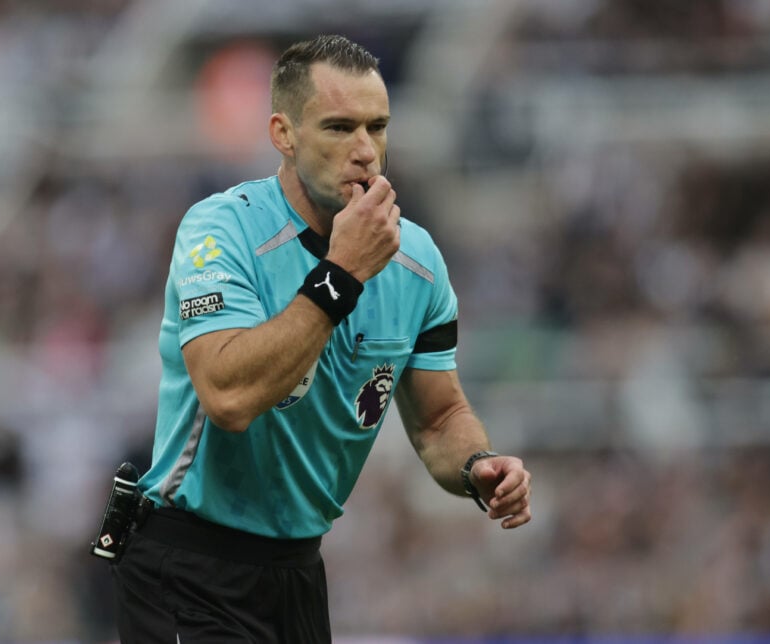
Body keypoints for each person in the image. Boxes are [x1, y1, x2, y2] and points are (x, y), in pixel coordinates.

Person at [111, 34, 532, 643]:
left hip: (299, 573)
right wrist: (342, 276)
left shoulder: (416, 260)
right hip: (191, 564)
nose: (365, 150)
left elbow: (440, 418)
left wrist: (477, 465)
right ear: (283, 134)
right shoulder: (222, 230)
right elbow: (228, 396)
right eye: (339, 127)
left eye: (377, 126)